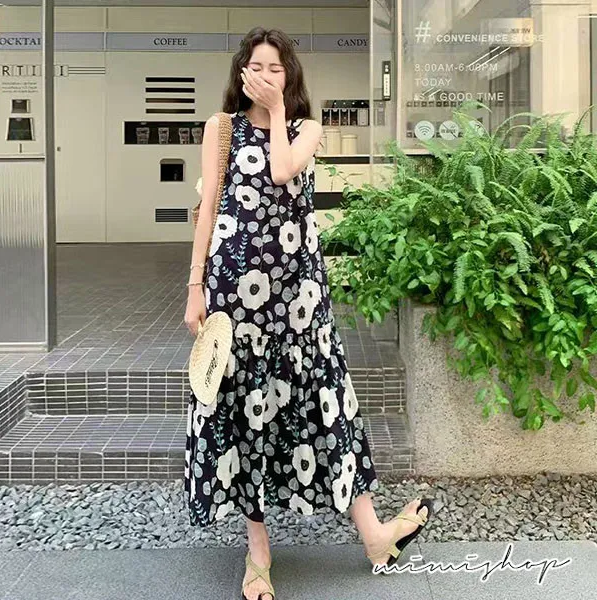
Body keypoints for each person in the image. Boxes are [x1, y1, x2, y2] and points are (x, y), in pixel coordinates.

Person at [183, 26, 431, 600]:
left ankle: (375, 536)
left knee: (329, 404)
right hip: (234, 295)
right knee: (244, 411)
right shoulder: (221, 129)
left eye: (276, 67)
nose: (265, 75)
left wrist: (276, 113)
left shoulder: (308, 129)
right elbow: (208, 209)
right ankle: (258, 552)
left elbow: (280, 171)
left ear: (290, 75)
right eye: (256, 66)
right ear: (241, 72)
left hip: (300, 299)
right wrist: (195, 284)